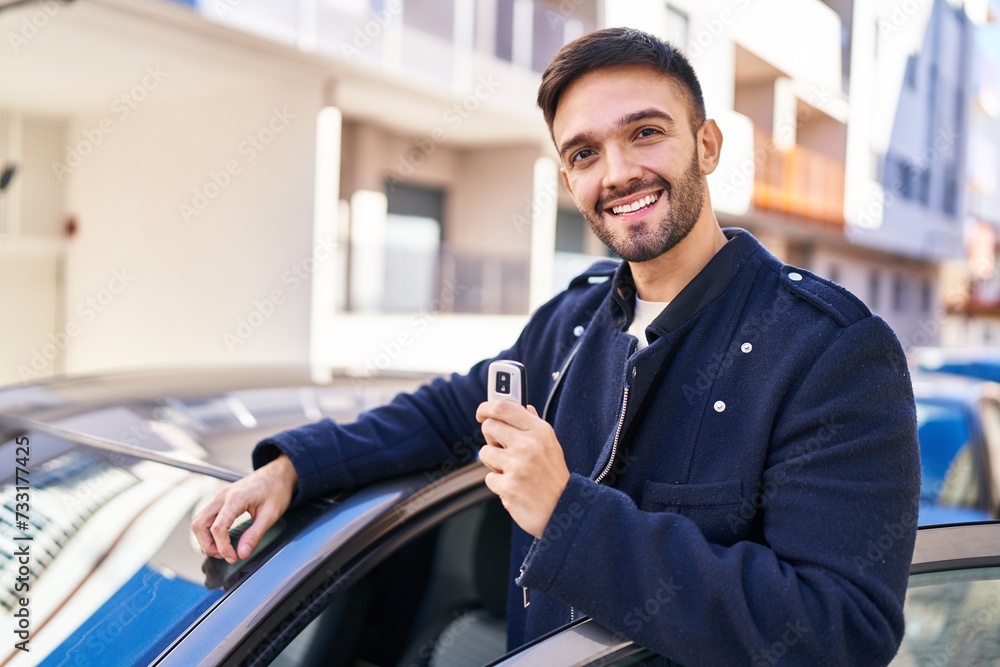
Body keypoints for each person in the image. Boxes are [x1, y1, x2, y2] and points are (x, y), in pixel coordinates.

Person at [193, 27, 921, 666]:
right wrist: (293, 465)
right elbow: (449, 412)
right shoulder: (572, 322)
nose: (618, 173)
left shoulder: (830, 352)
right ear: (569, 178)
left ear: (706, 144)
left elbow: (839, 631)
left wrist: (567, 514)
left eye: (645, 132)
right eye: (584, 152)